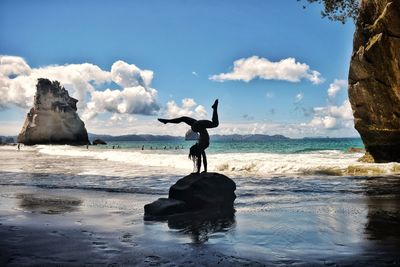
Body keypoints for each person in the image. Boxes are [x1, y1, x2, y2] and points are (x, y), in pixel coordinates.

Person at [158, 99, 219, 173]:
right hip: (197, 126)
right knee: (183, 118)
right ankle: (167, 121)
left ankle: (167, 121)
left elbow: (201, 159)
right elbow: (203, 158)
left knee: (183, 119)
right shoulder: (200, 148)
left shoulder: (201, 147)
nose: (197, 155)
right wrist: (203, 171)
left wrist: (200, 172)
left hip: (198, 126)